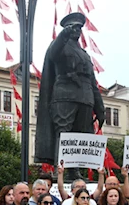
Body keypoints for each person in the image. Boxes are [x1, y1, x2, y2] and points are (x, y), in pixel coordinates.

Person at [35, 11, 106, 168]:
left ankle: (75, 172)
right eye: (73, 28)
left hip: (85, 98)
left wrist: (100, 109)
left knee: (79, 138)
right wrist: (63, 35)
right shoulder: (59, 46)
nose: (77, 31)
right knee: (63, 134)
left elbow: (93, 83)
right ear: (66, 29)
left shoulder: (85, 55)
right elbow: (53, 54)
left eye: (79, 29)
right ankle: (58, 171)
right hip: (64, 96)